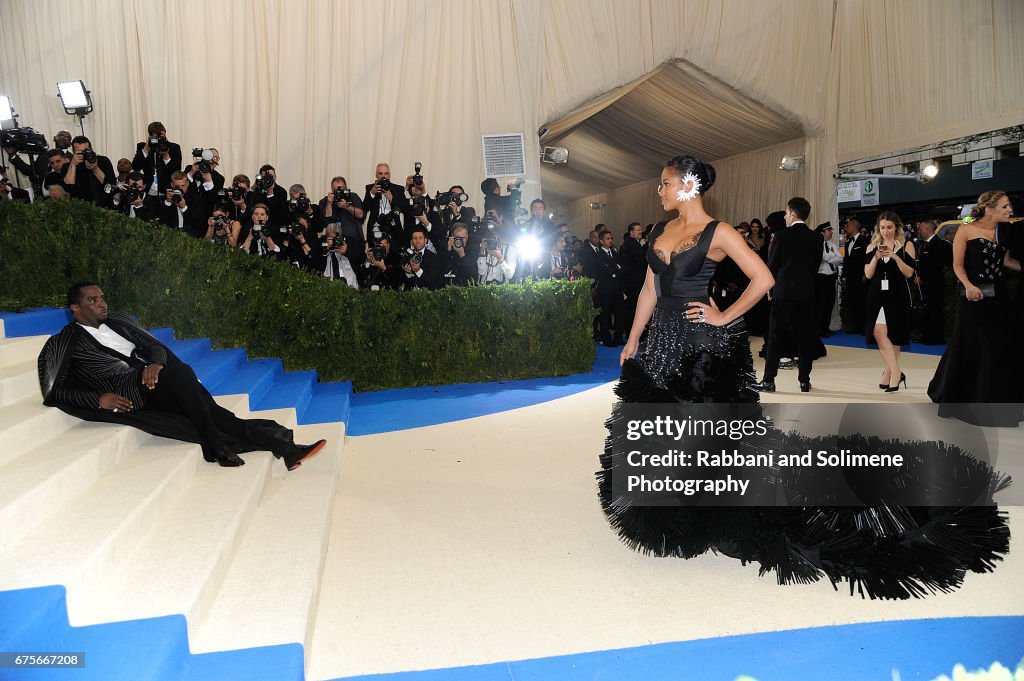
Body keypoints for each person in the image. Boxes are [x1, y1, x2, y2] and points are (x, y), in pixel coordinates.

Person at [597, 156, 1010, 599]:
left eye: (665, 184)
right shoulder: (660, 232)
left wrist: (722, 317)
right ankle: (678, 513)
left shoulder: (720, 232)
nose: (659, 192)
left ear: (689, 186)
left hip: (704, 351)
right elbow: (648, 289)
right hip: (662, 343)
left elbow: (762, 278)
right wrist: (634, 338)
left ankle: (716, 512)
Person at [39, 283, 326, 470]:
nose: (102, 304)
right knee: (187, 382)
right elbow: (53, 390)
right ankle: (221, 447)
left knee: (220, 417)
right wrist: (98, 399)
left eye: (102, 297)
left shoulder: (120, 320)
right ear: (75, 309)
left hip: (157, 379)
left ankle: (285, 449)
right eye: (93, 300)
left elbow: (155, 347)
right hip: (130, 392)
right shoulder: (62, 342)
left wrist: (155, 363)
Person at [928, 191, 1022, 425]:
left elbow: (1005, 261)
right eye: (1005, 206)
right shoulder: (966, 229)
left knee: (999, 346)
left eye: (1009, 206)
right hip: (973, 295)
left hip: (999, 296)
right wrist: (968, 285)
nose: (1010, 210)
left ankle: (995, 399)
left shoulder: (1005, 231)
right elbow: (957, 265)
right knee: (972, 344)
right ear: (990, 209)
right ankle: (960, 395)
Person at [754, 197, 822, 393]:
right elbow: (814, 267)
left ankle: (768, 381)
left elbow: (772, 267)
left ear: (793, 214)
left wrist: (769, 289)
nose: (784, 216)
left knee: (776, 336)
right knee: (805, 337)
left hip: (783, 293)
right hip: (807, 294)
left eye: (786, 213)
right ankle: (804, 381)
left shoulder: (781, 236)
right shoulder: (816, 238)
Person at [863, 211, 917, 391]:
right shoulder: (872, 247)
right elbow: (868, 274)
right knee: (879, 333)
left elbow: (909, 273)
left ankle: (888, 374)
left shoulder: (906, 245)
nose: (885, 231)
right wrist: (876, 259)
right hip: (876, 295)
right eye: (882, 227)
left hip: (897, 295)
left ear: (897, 228)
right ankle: (897, 373)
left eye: (889, 227)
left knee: (894, 337)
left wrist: (894, 256)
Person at [914, 219, 953, 344]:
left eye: (920, 229)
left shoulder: (942, 245)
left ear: (927, 229)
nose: (918, 231)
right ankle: (926, 335)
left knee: (935, 311)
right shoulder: (922, 244)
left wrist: (923, 277)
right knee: (926, 310)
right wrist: (918, 276)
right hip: (925, 286)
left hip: (937, 285)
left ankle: (936, 337)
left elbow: (937, 266)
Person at [841, 218, 869, 332]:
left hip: (862, 277)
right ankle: (855, 326)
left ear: (854, 227)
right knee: (852, 302)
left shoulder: (865, 241)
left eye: (847, 226)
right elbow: (846, 262)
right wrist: (844, 277)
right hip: (850, 278)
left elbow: (867, 259)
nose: (845, 228)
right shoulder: (848, 243)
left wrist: (865, 274)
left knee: (862, 301)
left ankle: (864, 327)